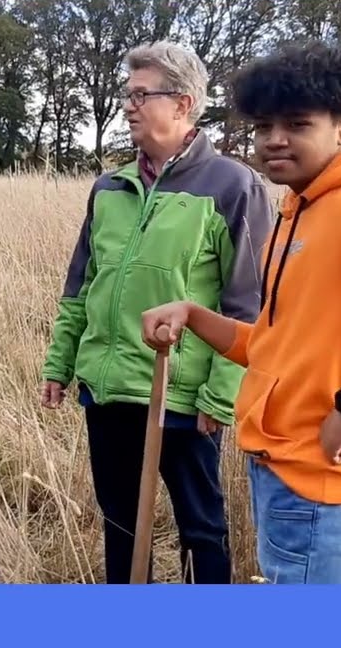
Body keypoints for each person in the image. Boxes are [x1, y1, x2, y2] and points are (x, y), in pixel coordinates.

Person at [141, 39, 341, 584]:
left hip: (328, 484)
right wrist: (194, 314)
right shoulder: (300, 207)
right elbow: (279, 346)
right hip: (284, 467)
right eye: (263, 125)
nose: (274, 140)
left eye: (297, 124)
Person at [39, 41, 273, 584]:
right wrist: (60, 364)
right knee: (120, 523)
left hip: (181, 397)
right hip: (108, 387)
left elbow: (249, 303)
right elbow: (81, 286)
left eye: (142, 95)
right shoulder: (109, 188)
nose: (128, 106)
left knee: (199, 528)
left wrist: (220, 394)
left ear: (184, 103)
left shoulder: (233, 187)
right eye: (128, 95)